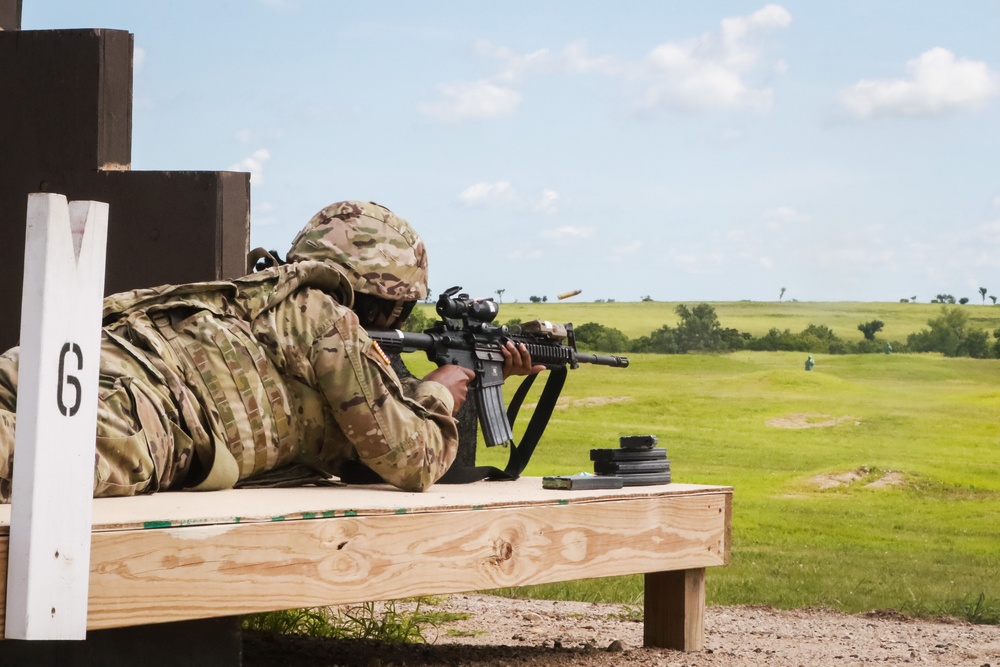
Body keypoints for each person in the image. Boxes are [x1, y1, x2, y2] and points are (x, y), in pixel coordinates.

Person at [0, 200, 537, 501]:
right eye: (397, 311)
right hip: (136, 415)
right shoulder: (328, 321)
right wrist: (438, 392)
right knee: (28, 465)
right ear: (377, 301)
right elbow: (410, 461)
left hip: (62, 360)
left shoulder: (259, 300)